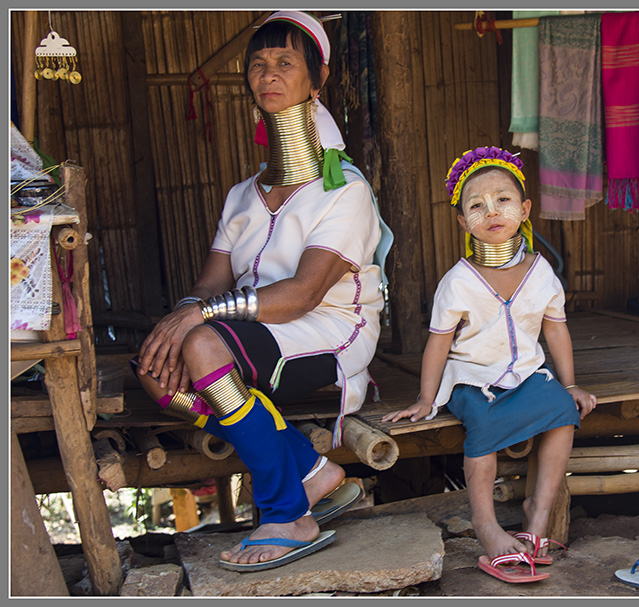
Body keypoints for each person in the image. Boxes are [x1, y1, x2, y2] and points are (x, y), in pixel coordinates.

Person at [135, 10, 392, 572]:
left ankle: (287, 512)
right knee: (155, 367)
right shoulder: (243, 195)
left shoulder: (343, 192)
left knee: (201, 345)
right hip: (252, 328)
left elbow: (302, 295)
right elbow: (210, 283)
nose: (268, 75)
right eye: (257, 65)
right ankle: (308, 468)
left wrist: (197, 322)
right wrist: (182, 317)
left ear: (316, 79)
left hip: (332, 328)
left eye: (284, 62)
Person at [381, 146, 596, 584]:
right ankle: (487, 524)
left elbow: (555, 331)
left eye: (503, 199)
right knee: (481, 427)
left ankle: (538, 512)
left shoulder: (541, 272)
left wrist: (570, 385)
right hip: (473, 380)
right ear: (463, 222)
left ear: (525, 209)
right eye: (476, 205)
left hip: (527, 375)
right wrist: (426, 398)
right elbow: (438, 346)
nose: (491, 211)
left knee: (562, 411)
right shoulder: (458, 281)